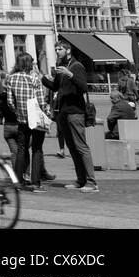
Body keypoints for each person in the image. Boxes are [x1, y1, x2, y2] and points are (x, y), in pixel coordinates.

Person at [39, 40, 98, 192]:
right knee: (71, 147)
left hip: (75, 112)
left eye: (59, 49)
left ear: (68, 50)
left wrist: (70, 75)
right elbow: (55, 87)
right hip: (63, 112)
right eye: (56, 49)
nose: (57, 52)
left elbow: (83, 87)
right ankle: (80, 180)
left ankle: (92, 183)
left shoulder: (77, 66)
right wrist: (42, 77)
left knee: (81, 146)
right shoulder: (62, 67)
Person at [6, 52, 49, 190]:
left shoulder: (11, 79)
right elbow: (42, 102)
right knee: (36, 149)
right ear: (30, 64)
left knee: (21, 150)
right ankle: (35, 182)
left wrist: (18, 111)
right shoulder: (34, 79)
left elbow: (10, 102)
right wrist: (47, 112)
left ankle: (18, 181)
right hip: (35, 119)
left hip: (22, 120)